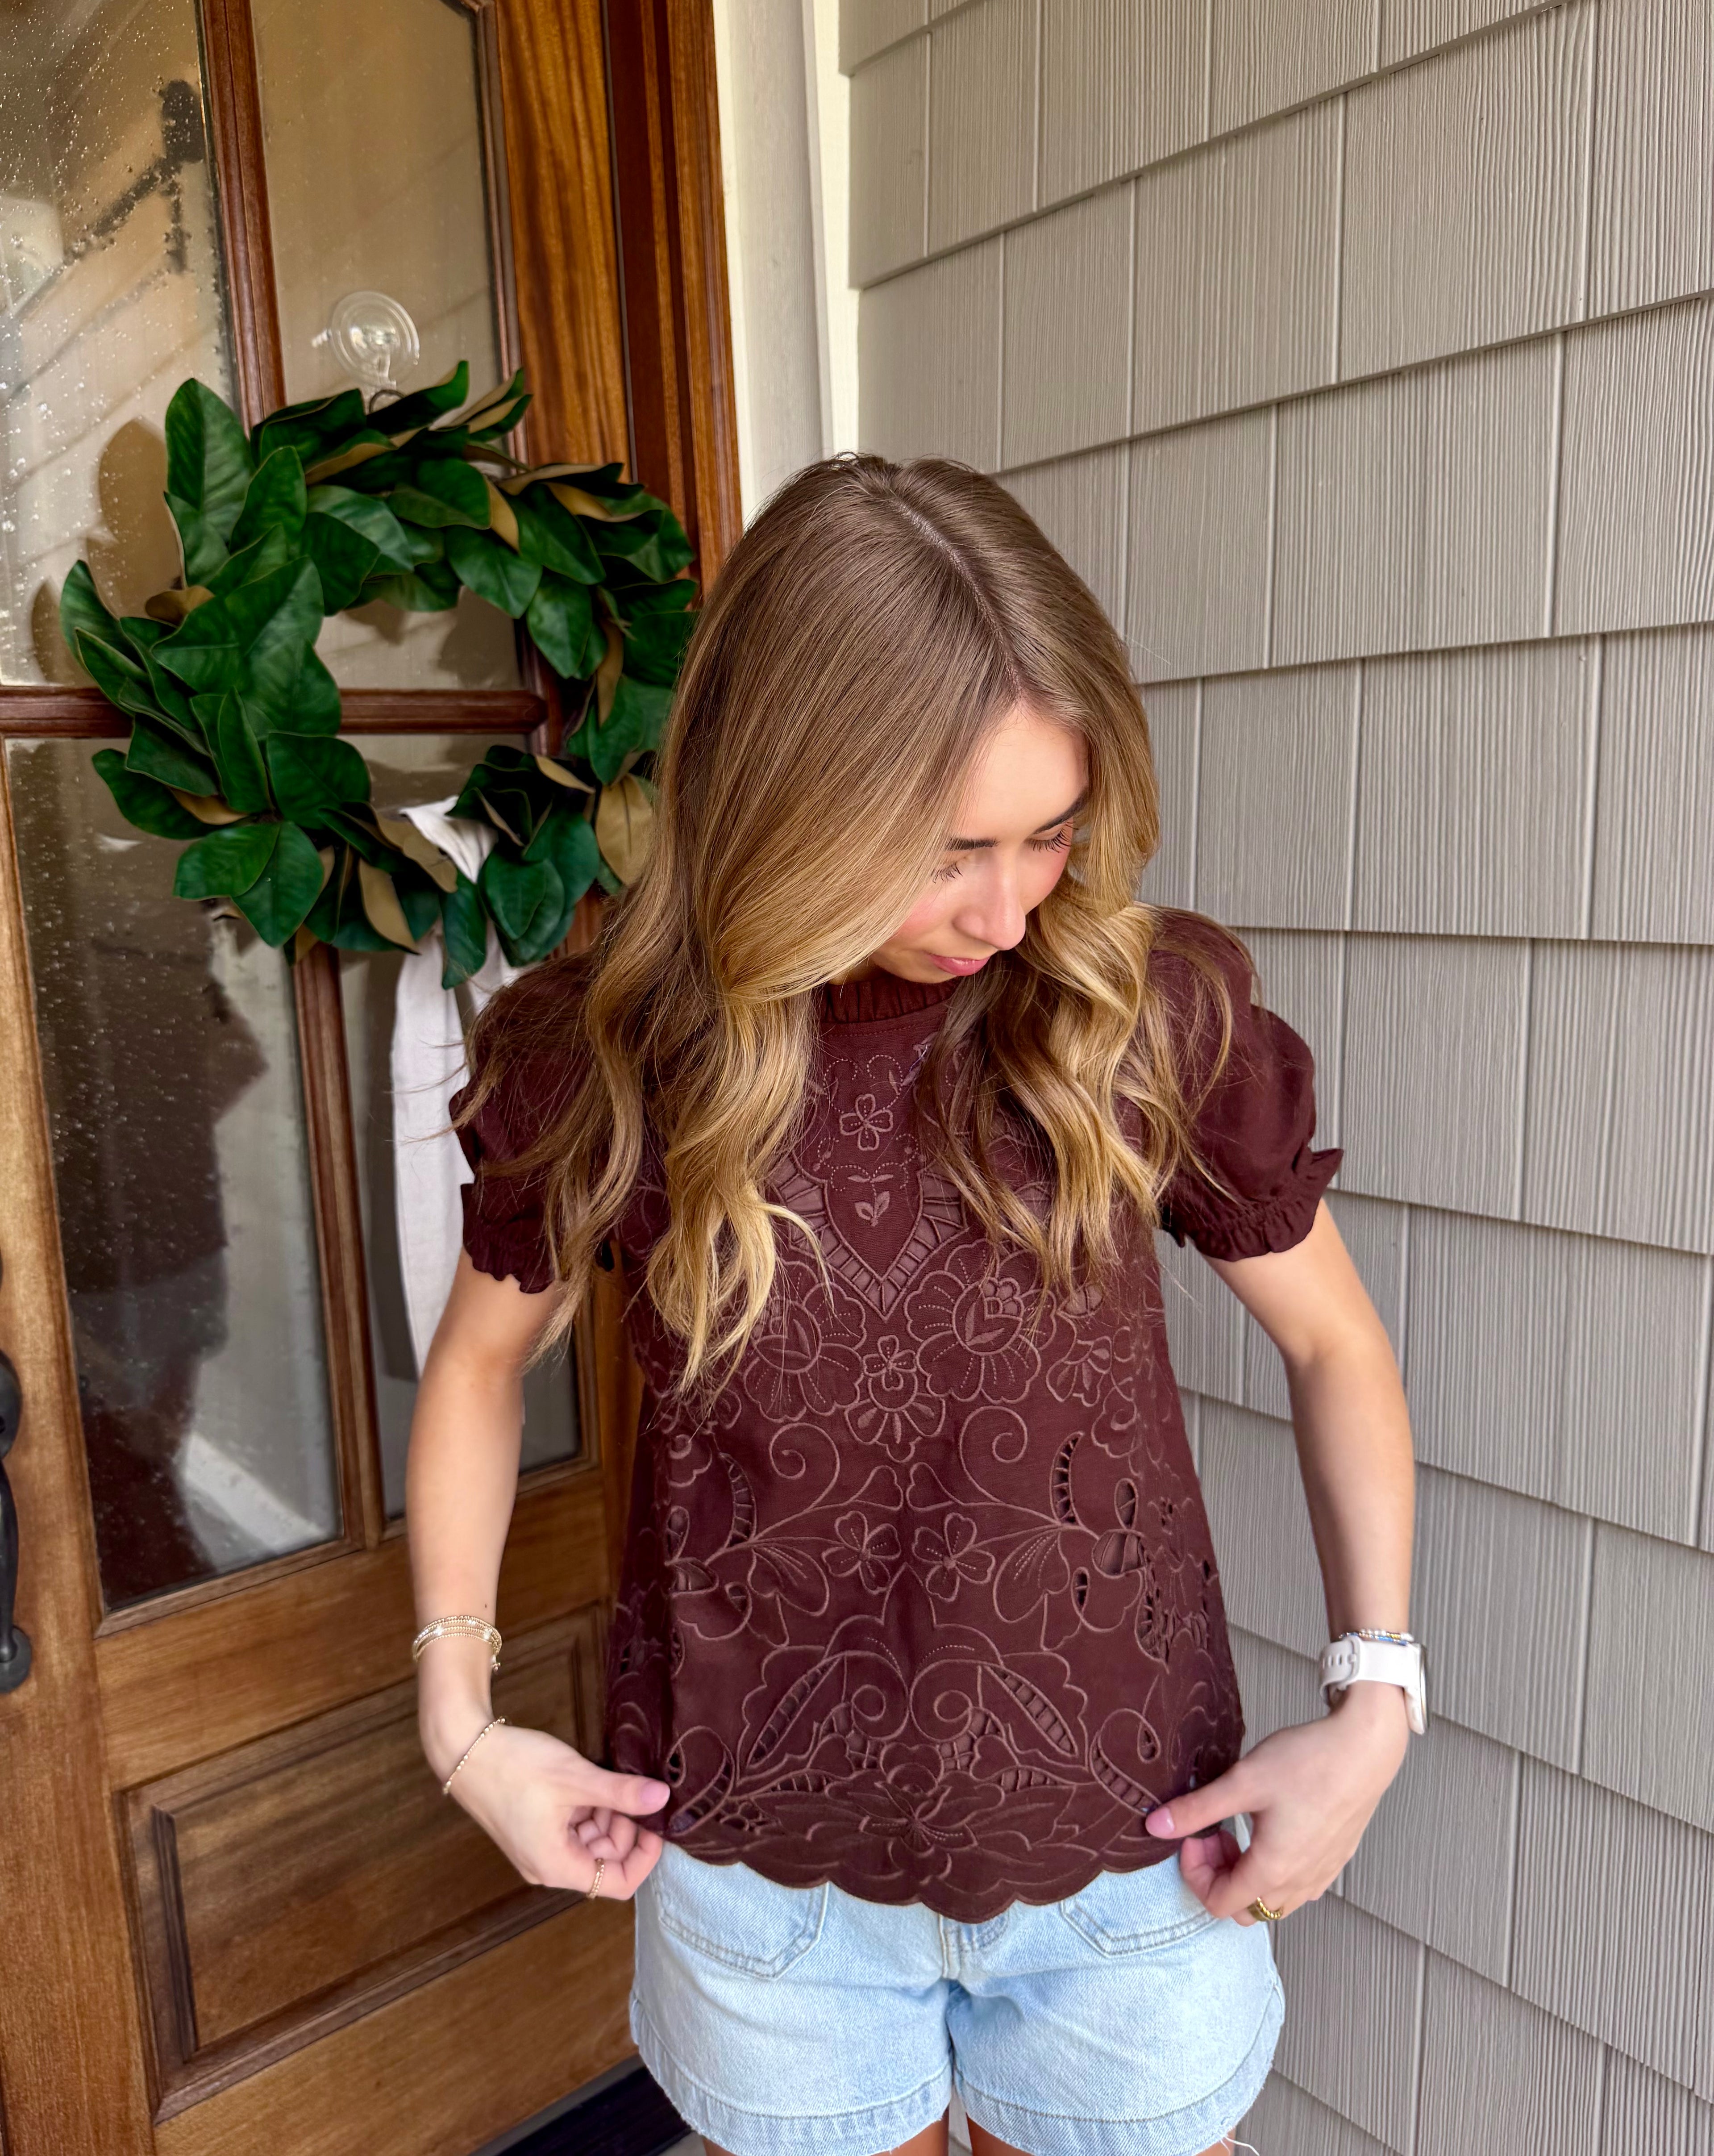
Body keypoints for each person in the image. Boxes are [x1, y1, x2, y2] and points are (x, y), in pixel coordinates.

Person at [407, 456, 1422, 2156]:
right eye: (947, 852)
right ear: (786, 800)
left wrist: (1375, 1697)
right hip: (765, 1898)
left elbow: (1333, 1342)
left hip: (1133, 1867)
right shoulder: (611, 1058)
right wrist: (462, 1719)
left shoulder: (1135, 1017)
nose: (1010, 909)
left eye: (1051, 833)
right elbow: (478, 1367)